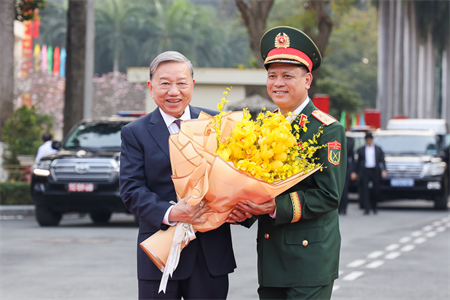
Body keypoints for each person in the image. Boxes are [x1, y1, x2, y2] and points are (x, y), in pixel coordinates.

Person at [228, 26, 347, 300]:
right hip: (271, 259)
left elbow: (328, 196)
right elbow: (258, 185)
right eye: (272, 76)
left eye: (287, 76)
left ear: (307, 80)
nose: (278, 83)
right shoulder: (263, 126)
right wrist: (243, 211)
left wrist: (273, 206)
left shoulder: (327, 129)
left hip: (309, 260)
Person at [120, 51, 236, 300]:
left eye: (181, 83)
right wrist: (171, 213)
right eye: (165, 83)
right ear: (151, 88)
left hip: (210, 256)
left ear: (192, 85)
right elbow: (131, 190)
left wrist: (242, 209)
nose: (174, 91)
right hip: (160, 254)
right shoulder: (135, 133)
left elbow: (236, 178)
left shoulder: (215, 124)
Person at [352, 132, 387, 215]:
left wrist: (384, 170)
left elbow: (382, 160)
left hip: (375, 170)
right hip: (365, 171)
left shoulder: (378, 149)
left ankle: (374, 206)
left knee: (376, 189)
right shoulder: (361, 150)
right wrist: (355, 172)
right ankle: (366, 208)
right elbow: (358, 162)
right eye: (367, 140)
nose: (369, 141)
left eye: (370, 139)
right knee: (364, 189)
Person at [339, 137, 355, 215]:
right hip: (337, 169)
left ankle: (344, 208)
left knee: (345, 190)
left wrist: (352, 171)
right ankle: (338, 208)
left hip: (346, 169)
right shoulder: (336, 142)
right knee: (337, 190)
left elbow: (352, 158)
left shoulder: (349, 145)